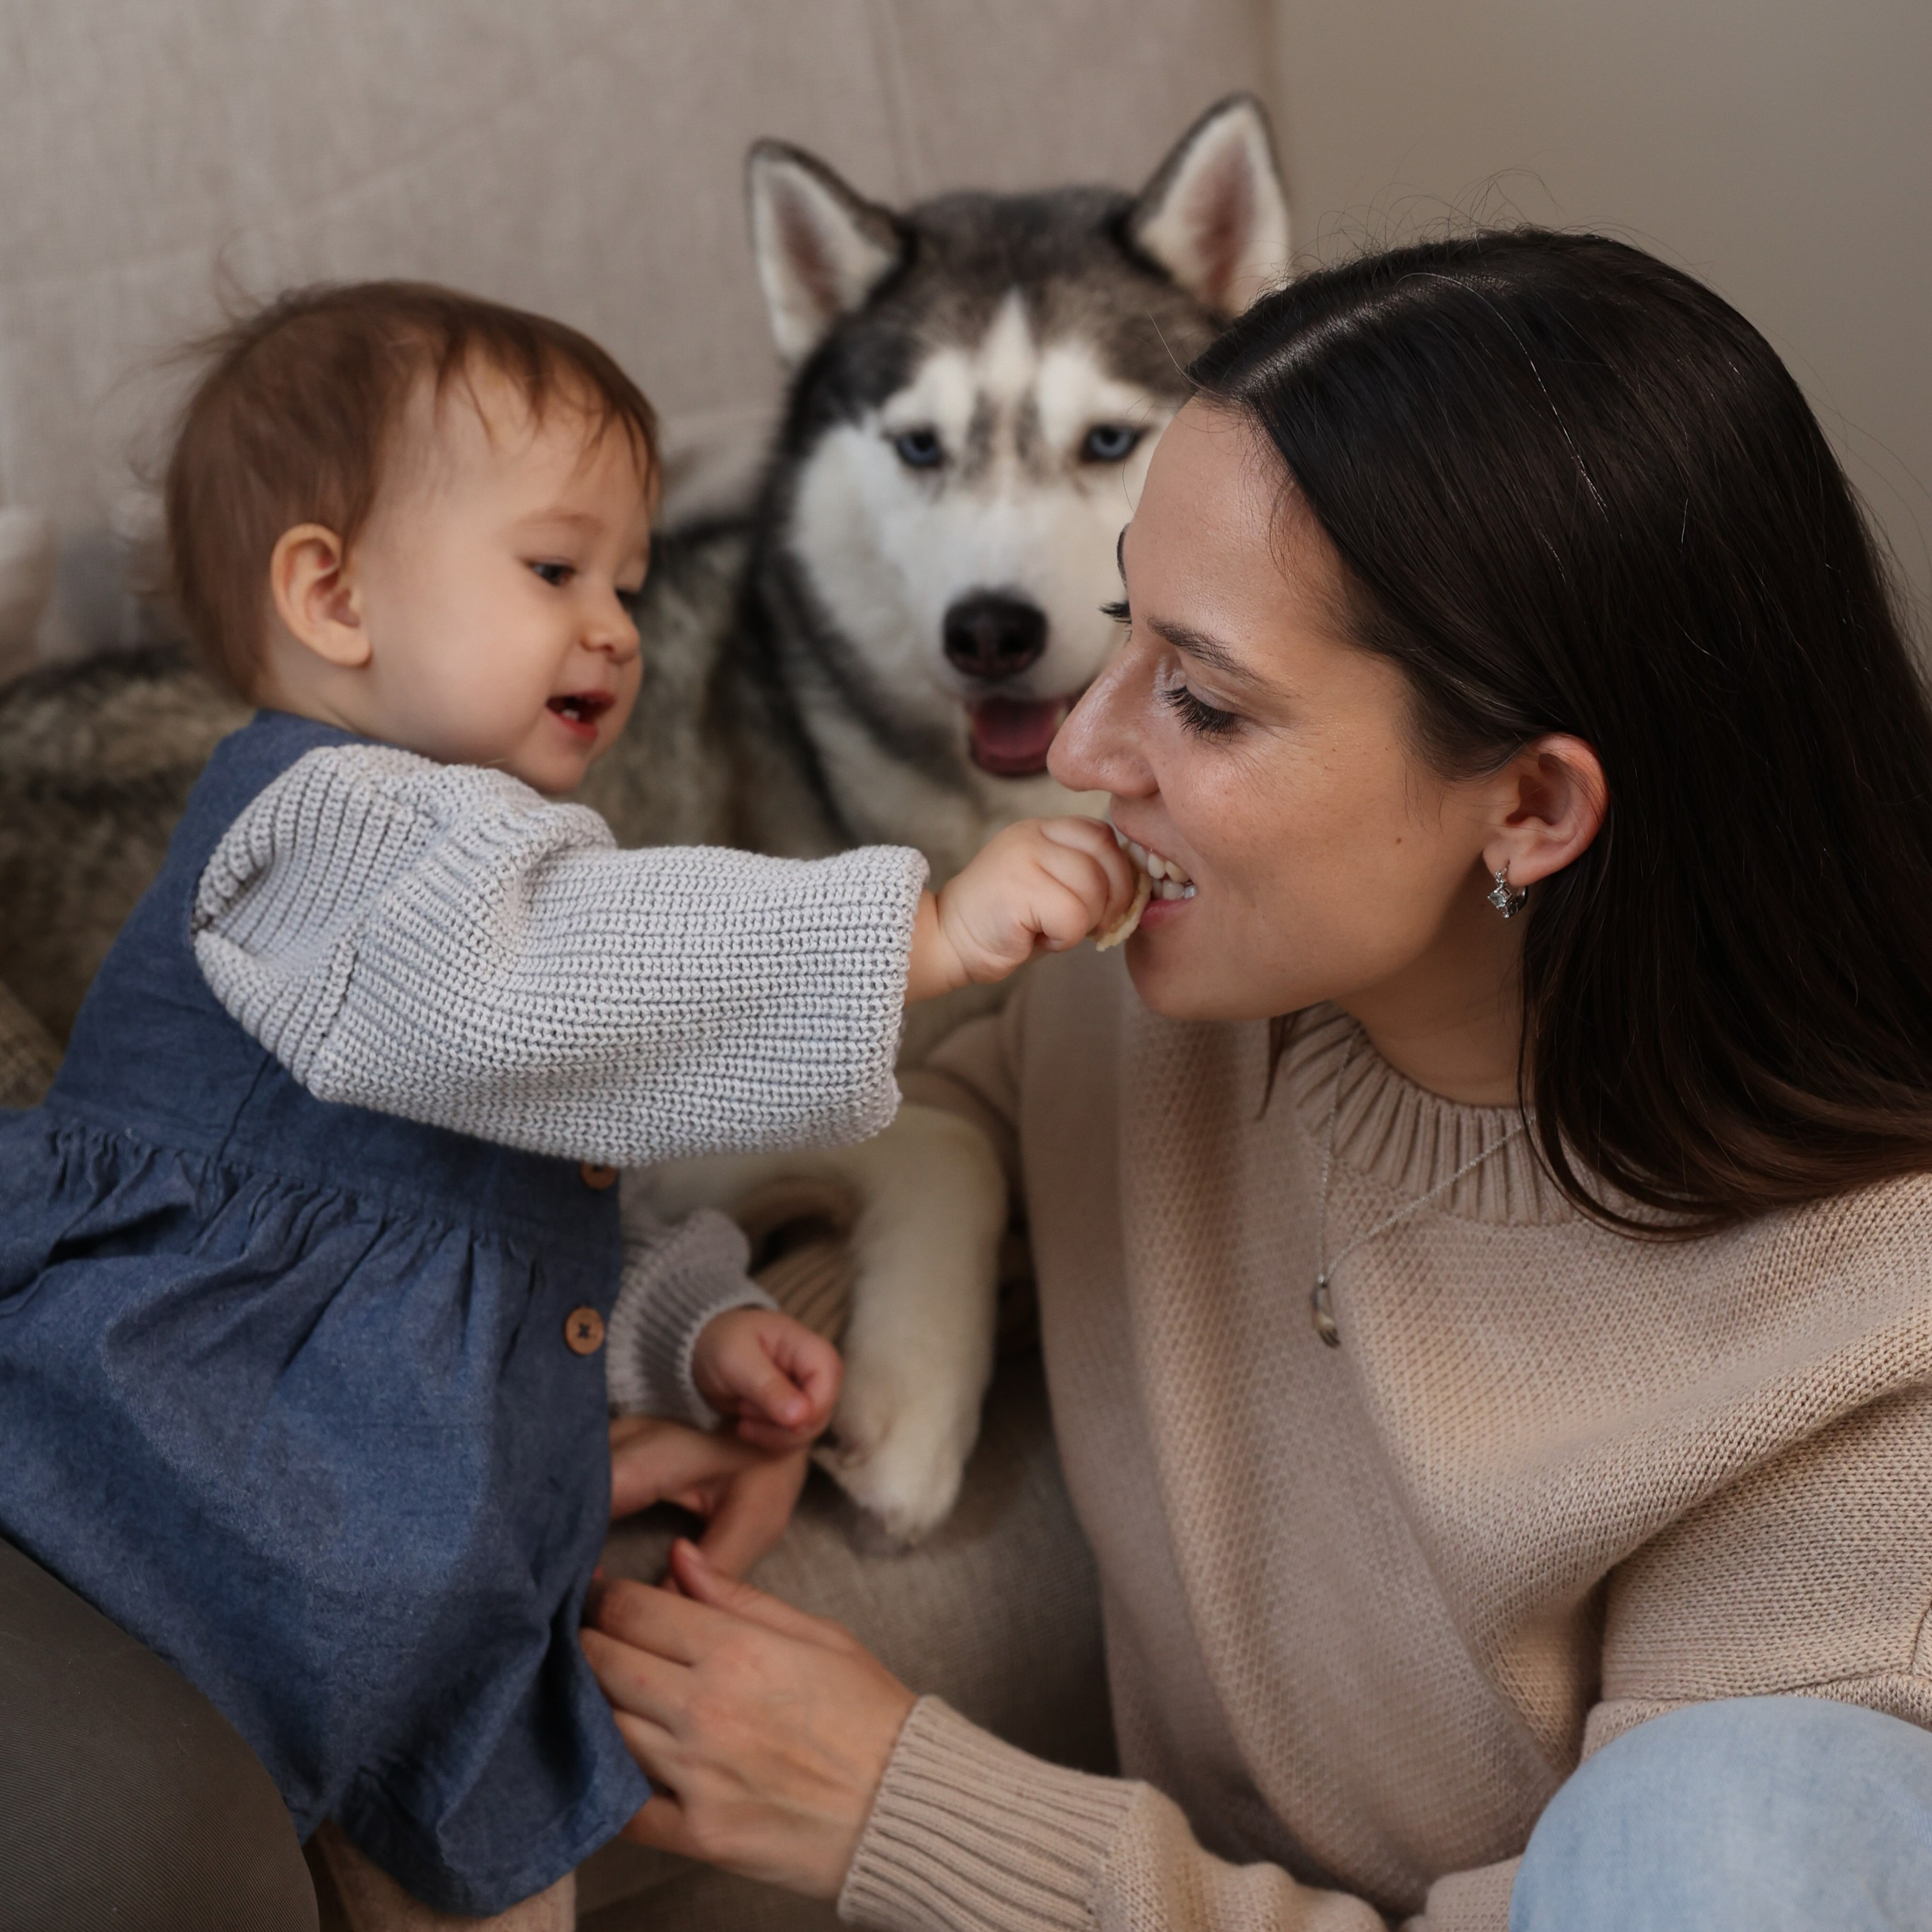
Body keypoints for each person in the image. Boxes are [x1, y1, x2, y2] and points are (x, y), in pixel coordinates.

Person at [578, 229, 1932, 1930]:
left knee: (1735, 1811)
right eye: (1118, 627)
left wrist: (901, 1809)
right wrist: (780, 1360)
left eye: (1203, 702)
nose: (1080, 748)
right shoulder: (1157, 1002)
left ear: (1529, 807)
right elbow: (960, 1117)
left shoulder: (1867, 1355)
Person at [0, 282, 1135, 1930]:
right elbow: (526, 995)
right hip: (162, 1494)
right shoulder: (316, 829)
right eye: (553, 570)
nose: (613, 626)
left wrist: (689, 1324)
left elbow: (541, 1175)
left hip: (421, 1582)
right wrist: (926, 931)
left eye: (628, 579)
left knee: (495, 1870)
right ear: (332, 595)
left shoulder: (494, 872)